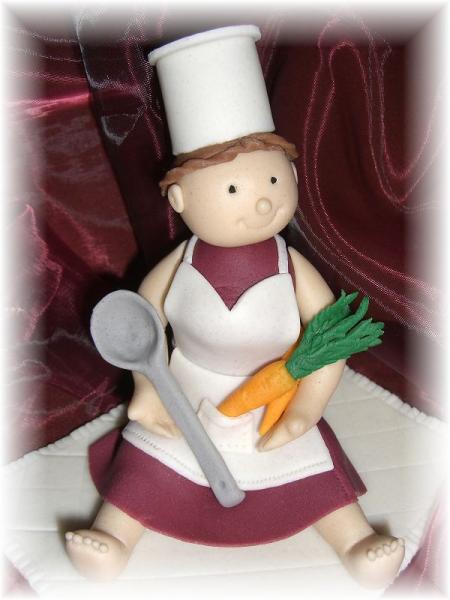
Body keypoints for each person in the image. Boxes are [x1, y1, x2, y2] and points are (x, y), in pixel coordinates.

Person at [65, 26, 404, 588]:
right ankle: (114, 536)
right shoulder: (179, 263)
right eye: (231, 190)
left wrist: (307, 405)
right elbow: (141, 322)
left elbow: (329, 336)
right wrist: (149, 387)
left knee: (309, 467)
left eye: (271, 178)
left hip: (276, 395)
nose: (263, 201)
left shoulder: (291, 266)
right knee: (151, 460)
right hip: (186, 387)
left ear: (292, 175)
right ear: (179, 199)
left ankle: (355, 541)